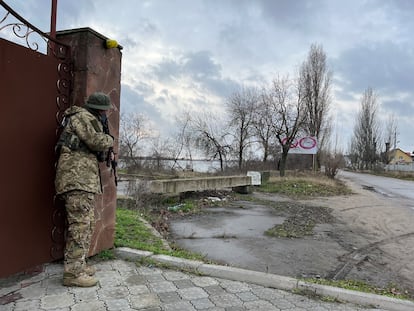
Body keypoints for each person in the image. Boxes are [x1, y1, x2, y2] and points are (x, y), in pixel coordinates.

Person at [55, 92, 114, 287]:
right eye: (106, 110)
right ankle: (73, 274)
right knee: (80, 225)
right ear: (100, 109)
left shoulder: (87, 118)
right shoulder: (82, 117)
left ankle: (78, 264)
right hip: (76, 178)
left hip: (82, 179)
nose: (107, 113)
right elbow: (97, 141)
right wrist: (110, 139)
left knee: (86, 223)